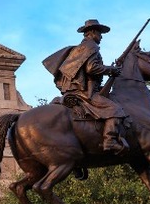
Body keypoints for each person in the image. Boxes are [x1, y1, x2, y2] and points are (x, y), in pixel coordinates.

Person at [42, 19, 129, 154]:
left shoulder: (80, 48)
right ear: (93, 32)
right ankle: (110, 140)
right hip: (85, 92)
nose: (101, 36)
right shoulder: (91, 46)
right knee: (115, 109)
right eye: (100, 33)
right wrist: (110, 69)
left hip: (77, 89)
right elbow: (91, 68)